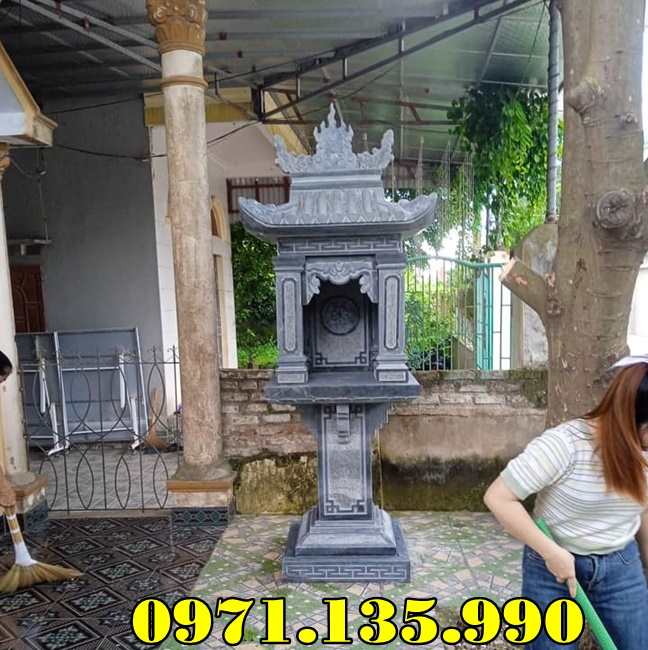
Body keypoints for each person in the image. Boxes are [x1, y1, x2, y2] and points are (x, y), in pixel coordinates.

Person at [484, 360, 648, 649]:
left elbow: (643, 510)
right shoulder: (565, 444)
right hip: (551, 564)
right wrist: (551, 553)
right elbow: (498, 497)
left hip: (620, 564)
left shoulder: (643, 451)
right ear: (635, 424)